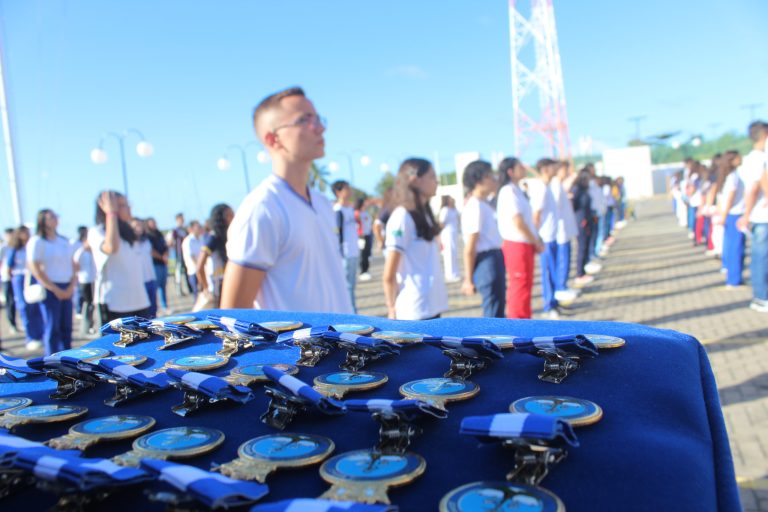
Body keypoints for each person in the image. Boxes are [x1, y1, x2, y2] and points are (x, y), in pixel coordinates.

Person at [220, 86, 353, 313]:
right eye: (304, 120)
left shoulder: (322, 203)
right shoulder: (263, 208)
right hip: (301, 349)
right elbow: (233, 315)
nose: (319, 128)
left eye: (318, 119)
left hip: (343, 345)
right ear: (273, 139)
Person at [382, 158, 448, 320]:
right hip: (414, 310)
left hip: (431, 305)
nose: (437, 181)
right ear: (415, 180)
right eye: (432, 176)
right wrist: (391, 308)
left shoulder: (424, 214)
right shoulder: (402, 216)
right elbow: (389, 274)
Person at [89, 191, 151, 323]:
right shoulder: (97, 232)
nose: (129, 208)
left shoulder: (129, 232)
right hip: (114, 303)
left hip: (139, 300)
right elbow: (111, 247)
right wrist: (111, 213)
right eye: (122, 205)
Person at [497, 157, 542, 319]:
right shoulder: (507, 191)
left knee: (526, 285)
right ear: (510, 171)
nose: (524, 168)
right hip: (516, 244)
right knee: (519, 285)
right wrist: (535, 240)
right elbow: (518, 222)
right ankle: (518, 325)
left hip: (524, 242)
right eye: (520, 166)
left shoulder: (516, 190)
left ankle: (525, 320)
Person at [27, 209, 76, 355]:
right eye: (51, 217)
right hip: (50, 287)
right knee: (52, 327)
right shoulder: (37, 241)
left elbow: (73, 264)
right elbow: (34, 268)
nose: (55, 219)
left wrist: (71, 286)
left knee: (66, 327)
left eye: (55, 216)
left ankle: (69, 360)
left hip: (67, 285)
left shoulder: (64, 241)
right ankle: (52, 362)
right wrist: (55, 289)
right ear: (42, 221)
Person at [460, 160, 505, 318]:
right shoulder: (474, 206)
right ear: (478, 180)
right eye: (489, 175)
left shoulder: (482, 204)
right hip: (487, 260)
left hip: (494, 257)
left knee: (498, 308)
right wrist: (468, 279)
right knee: (493, 312)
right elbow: (470, 247)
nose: (494, 179)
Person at [737, 121, 768, 312]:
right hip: (761, 216)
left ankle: (760, 296)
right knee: (761, 258)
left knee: (760, 258)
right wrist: (747, 215)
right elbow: (754, 188)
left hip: (758, 216)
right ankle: (761, 297)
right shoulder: (759, 158)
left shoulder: (751, 158)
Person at [529, 158, 560, 319]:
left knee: (553, 271)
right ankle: (548, 306)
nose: (557, 169)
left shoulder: (547, 187)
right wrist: (537, 237)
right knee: (547, 273)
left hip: (552, 235)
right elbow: (536, 215)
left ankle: (554, 302)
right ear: (546, 169)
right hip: (545, 237)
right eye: (554, 166)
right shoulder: (540, 188)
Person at [6, 226, 43, 349]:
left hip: (32, 276)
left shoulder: (31, 247)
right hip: (19, 278)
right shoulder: (14, 249)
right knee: (24, 307)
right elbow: (9, 267)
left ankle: (39, 334)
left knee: (36, 306)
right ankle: (30, 337)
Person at [197, 204, 234, 308]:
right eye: (229, 215)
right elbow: (199, 266)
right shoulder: (213, 238)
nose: (233, 217)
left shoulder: (228, 236)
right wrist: (206, 287)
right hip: (217, 285)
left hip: (227, 281)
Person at [332, 180, 360, 312]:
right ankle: (352, 313)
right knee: (347, 286)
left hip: (354, 251)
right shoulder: (338, 210)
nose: (349, 191)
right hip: (346, 253)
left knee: (353, 285)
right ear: (338, 192)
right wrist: (340, 253)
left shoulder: (349, 209)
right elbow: (338, 234)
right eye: (346, 189)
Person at [718, 151, 744, 287]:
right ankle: (734, 279)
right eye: (739, 157)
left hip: (729, 214)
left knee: (730, 246)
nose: (741, 159)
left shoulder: (729, 176)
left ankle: (731, 274)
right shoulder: (733, 177)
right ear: (732, 160)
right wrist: (723, 215)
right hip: (734, 213)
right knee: (736, 248)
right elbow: (730, 198)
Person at [571, 169, 594, 286]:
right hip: (581, 221)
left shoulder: (585, 190)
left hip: (587, 220)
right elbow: (574, 206)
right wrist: (580, 219)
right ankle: (579, 273)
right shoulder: (577, 190)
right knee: (582, 247)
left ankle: (583, 271)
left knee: (586, 246)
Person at [145, 217, 170, 316]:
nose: (154, 224)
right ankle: (155, 308)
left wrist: (166, 255)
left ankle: (165, 306)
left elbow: (165, 246)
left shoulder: (159, 234)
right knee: (155, 287)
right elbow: (150, 250)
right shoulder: (148, 236)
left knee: (163, 286)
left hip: (163, 263)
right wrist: (161, 257)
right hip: (155, 264)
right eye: (152, 223)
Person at [73, 237, 96, 335]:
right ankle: (86, 326)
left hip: (93, 280)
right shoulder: (80, 252)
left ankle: (91, 325)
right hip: (84, 280)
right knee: (88, 303)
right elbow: (75, 264)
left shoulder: (93, 252)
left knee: (92, 304)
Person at [438, 195, 461, 283]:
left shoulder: (453, 209)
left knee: (454, 253)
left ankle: (455, 272)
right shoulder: (445, 210)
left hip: (454, 233)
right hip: (447, 234)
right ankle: (450, 274)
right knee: (449, 254)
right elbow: (441, 223)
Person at [168, 213, 191, 297]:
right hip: (178, 254)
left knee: (187, 272)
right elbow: (171, 241)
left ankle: (190, 288)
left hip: (186, 254)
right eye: (181, 219)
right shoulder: (175, 230)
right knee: (178, 273)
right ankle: (179, 290)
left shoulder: (185, 230)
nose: (182, 220)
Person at [1, 227, 18, 334]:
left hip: (15, 278)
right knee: (10, 302)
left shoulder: (16, 247)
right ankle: (12, 324)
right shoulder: (3, 248)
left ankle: (16, 323)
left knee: (17, 302)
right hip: (6, 278)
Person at [181, 220, 204, 297]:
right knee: (198, 296)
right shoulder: (188, 241)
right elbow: (192, 257)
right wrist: (200, 270)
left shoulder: (201, 239)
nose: (200, 228)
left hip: (203, 270)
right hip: (194, 272)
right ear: (191, 229)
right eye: (198, 227)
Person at [356, 197, 374, 281]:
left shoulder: (366, 213)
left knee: (367, 254)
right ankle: (362, 271)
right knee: (363, 254)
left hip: (368, 235)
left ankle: (366, 270)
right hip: (361, 236)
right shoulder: (357, 213)